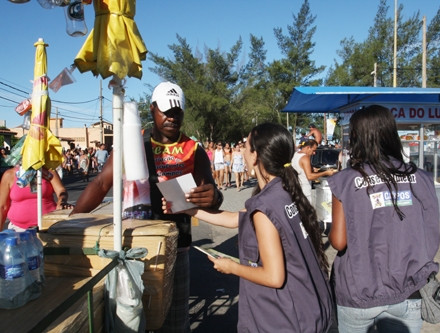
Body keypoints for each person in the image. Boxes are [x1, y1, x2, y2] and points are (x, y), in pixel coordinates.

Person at [71, 81, 222, 333]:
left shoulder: (193, 149)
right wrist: (72, 221)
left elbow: (212, 193)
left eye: (177, 112)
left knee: (174, 321)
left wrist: (213, 196)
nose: (172, 118)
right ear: (152, 109)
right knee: (132, 316)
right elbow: (100, 184)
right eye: (166, 111)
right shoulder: (133, 143)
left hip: (178, 248)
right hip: (134, 247)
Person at [165, 123, 332, 332]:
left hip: (284, 319)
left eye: (246, 145)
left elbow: (274, 276)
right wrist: (186, 209)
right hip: (309, 309)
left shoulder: (264, 207)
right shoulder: (284, 190)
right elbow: (234, 219)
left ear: (255, 156)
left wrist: (231, 267)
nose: (242, 151)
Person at [327, 105, 440, 333]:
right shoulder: (419, 177)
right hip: (408, 289)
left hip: (359, 291)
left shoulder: (347, 181)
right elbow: (430, 234)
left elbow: (339, 242)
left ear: (357, 137)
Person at [0, 165, 73, 231]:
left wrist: (61, 201)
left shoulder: (48, 171)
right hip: (18, 229)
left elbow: (61, 190)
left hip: (48, 226)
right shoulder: (9, 175)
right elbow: (2, 207)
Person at [291, 139, 335, 204]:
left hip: (295, 191)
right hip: (304, 193)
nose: (314, 153)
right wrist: (326, 173)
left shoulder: (295, 155)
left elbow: (300, 169)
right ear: (308, 147)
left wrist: (312, 169)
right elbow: (309, 176)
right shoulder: (305, 158)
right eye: (313, 150)